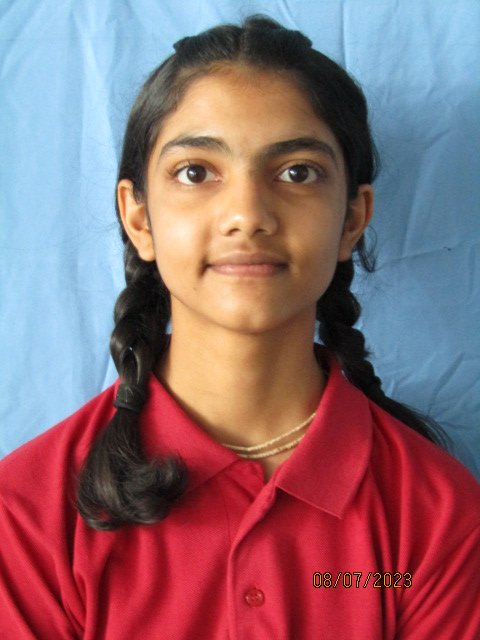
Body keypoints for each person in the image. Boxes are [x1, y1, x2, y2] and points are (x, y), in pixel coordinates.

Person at [0, 15, 479, 639]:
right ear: (139, 219)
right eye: (195, 172)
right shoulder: (28, 511)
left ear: (352, 219)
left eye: (297, 172)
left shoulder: (437, 517)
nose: (247, 214)